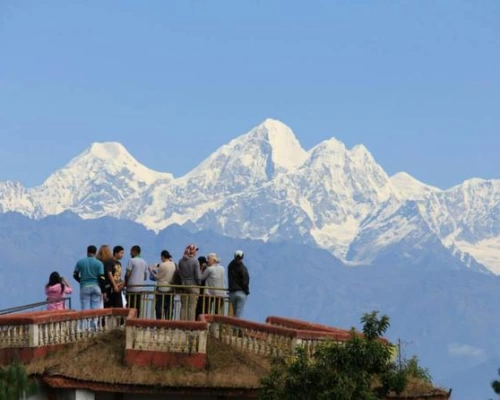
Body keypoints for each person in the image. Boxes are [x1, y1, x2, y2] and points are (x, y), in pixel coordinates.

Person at [73, 245, 105, 310]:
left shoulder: (80, 262)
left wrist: (81, 281)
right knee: (95, 310)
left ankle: (85, 320)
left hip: (84, 287)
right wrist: (103, 290)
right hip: (96, 287)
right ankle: (95, 320)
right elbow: (102, 278)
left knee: (85, 310)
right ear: (95, 253)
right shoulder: (99, 263)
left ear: (87, 252)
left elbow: (75, 275)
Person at [149, 250, 177, 319]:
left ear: (162, 256)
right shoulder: (173, 264)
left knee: (159, 308)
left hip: (162, 289)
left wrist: (151, 270)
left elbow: (157, 277)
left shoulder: (163, 265)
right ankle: (168, 323)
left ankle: (159, 324)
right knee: (169, 308)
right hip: (171, 289)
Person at [178, 244, 201, 321]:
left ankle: (182, 322)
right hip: (193, 286)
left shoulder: (181, 261)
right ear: (193, 251)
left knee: (183, 306)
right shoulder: (195, 261)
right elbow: (198, 275)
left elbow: (179, 273)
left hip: (184, 285)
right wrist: (199, 283)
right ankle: (190, 324)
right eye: (195, 250)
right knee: (191, 306)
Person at [125, 245, 148, 317]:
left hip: (131, 288)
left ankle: (129, 321)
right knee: (137, 306)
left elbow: (128, 274)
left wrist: (125, 282)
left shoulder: (131, 261)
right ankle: (136, 320)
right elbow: (145, 277)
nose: (130, 253)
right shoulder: (144, 262)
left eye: (131, 251)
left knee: (129, 307)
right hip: (140, 288)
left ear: (134, 251)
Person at [227, 250, 250, 318]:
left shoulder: (230, 267)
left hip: (232, 292)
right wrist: (246, 291)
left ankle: (234, 326)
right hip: (241, 292)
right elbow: (245, 281)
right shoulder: (243, 268)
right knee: (238, 313)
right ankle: (235, 328)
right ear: (242, 257)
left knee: (234, 312)